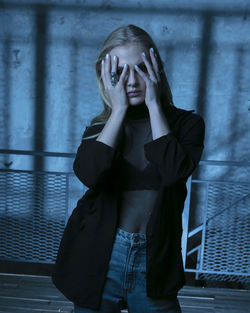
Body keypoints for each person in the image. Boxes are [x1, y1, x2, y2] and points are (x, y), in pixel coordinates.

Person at [52, 24, 205, 313]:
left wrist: (154, 105)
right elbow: (90, 175)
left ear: (156, 69)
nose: (131, 80)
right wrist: (118, 110)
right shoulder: (101, 128)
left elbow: (174, 171)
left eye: (140, 69)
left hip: (155, 259)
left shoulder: (187, 125)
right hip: (100, 256)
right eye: (119, 71)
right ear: (106, 77)